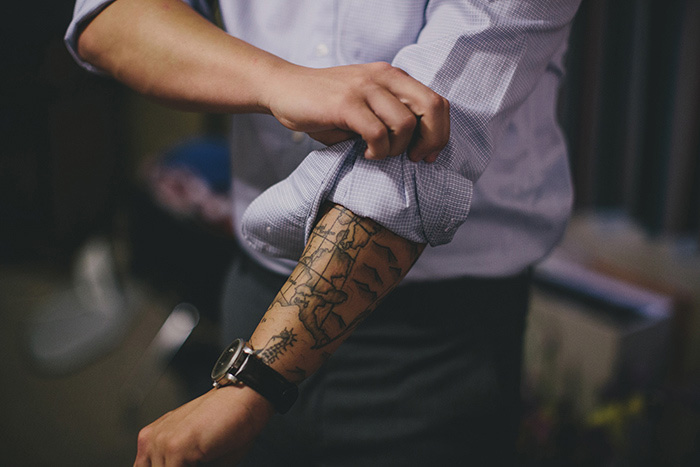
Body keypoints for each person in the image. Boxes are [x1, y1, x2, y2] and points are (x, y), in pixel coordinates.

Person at [65, 0, 581, 465]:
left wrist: (251, 385)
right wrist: (276, 81)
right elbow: (106, 19)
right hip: (256, 289)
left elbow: (418, 160)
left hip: (437, 340)